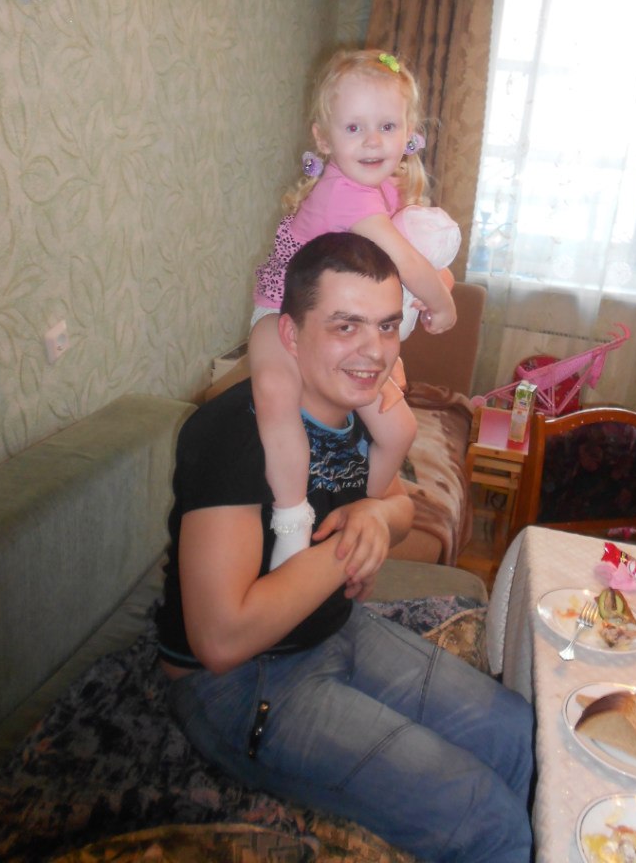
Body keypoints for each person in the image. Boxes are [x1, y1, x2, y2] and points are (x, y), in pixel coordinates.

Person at [157, 232, 534, 863]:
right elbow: (221, 639)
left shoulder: (358, 405)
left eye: (387, 326)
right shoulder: (232, 436)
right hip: (238, 683)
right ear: (289, 334)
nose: (374, 352)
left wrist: (378, 515)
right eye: (345, 326)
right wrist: (350, 550)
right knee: (486, 819)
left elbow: (399, 505)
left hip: (330, 626)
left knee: (515, 732)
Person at [251, 48, 460, 569]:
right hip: (280, 316)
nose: (372, 141)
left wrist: (430, 288)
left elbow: (397, 272)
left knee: (400, 430)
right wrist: (443, 306)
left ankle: (357, 505)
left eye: (387, 126)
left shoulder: (383, 189)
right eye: (354, 128)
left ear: (408, 133)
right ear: (324, 139)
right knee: (277, 405)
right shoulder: (346, 194)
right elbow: (406, 264)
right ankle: (292, 519)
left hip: (339, 329)